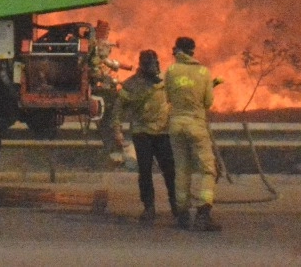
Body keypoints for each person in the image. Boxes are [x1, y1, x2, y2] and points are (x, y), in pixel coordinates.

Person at [165, 35, 220, 232]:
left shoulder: (171, 70)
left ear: (177, 50)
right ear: (192, 51)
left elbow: (167, 97)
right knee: (208, 170)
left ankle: (182, 215)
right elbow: (208, 102)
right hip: (196, 125)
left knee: (181, 169)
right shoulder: (204, 72)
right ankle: (203, 213)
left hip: (176, 124)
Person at [118, 48, 177, 223]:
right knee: (145, 171)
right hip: (142, 133)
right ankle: (149, 207)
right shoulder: (131, 85)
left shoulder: (165, 83)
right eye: (151, 64)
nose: (155, 67)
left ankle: (176, 205)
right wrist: (116, 129)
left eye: (156, 63)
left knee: (170, 170)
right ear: (143, 66)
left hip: (163, 132)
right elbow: (118, 109)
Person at [88, 20, 126, 163]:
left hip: (103, 88)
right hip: (102, 89)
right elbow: (102, 63)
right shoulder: (96, 49)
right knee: (108, 121)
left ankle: (113, 149)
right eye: (106, 31)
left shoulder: (95, 47)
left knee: (108, 122)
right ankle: (113, 149)